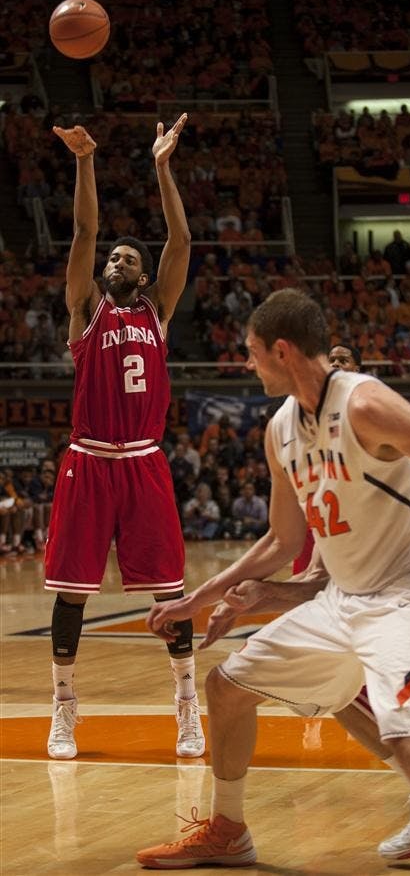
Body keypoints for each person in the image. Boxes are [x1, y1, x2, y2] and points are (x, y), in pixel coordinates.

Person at [137, 288, 410, 875]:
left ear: (281, 351)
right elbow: (281, 542)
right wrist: (198, 598)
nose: (248, 363)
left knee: (406, 731)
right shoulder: (281, 429)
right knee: (227, 688)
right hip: (345, 601)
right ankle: (228, 831)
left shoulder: (365, 404)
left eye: (253, 353)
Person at [45, 117, 205, 762]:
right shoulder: (86, 312)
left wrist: (163, 168)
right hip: (88, 459)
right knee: (70, 591)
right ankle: (64, 709)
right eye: (114, 257)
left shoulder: (155, 312)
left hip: (143, 462)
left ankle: (186, 706)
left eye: (128, 260)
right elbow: (84, 230)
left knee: (172, 588)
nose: (116, 261)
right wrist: (85, 163)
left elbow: (182, 239)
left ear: (143, 279)